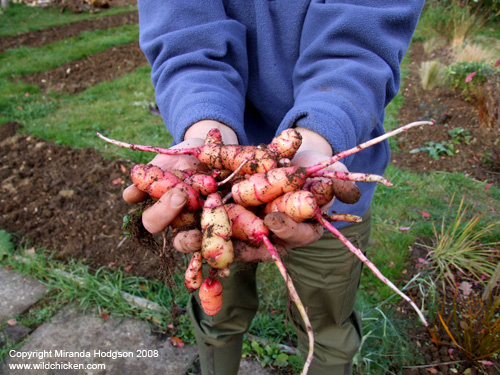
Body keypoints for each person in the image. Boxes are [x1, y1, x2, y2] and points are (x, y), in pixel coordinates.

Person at [124, 1, 425, 374]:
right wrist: (204, 136)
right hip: (217, 177)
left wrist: (317, 141)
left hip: (325, 180)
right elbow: (186, 39)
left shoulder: (311, 180)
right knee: (216, 310)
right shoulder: (211, 190)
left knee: (327, 329)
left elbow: (359, 43)